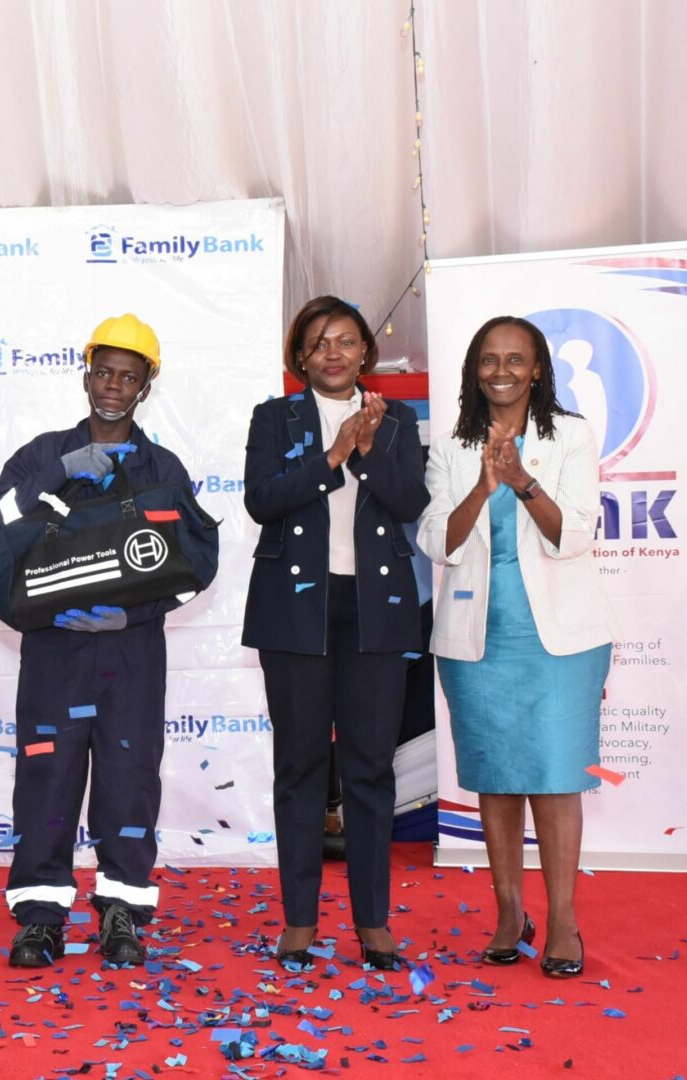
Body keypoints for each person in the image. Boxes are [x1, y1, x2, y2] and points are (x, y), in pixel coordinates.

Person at [0, 313, 218, 969]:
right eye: (104, 372)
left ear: (146, 386)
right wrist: (58, 472)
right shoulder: (41, 454)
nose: (113, 386)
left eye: (128, 376)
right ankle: (39, 918)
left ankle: (121, 914)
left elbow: (195, 563)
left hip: (129, 656)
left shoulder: (161, 468)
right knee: (46, 783)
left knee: (127, 785)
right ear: (87, 374)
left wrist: (134, 618)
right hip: (54, 653)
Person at [417, 315, 616, 978]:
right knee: (496, 780)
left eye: (515, 360)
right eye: (488, 360)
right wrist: (483, 483)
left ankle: (562, 922)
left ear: (536, 370)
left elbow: (576, 535)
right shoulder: (448, 444)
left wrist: (522, 481)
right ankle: (508, 912)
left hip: (558, 637)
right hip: (477, 638)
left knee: (557, 779)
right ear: (473, 369)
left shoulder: (571, 436)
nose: (500, 371)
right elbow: (436, 543)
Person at [241, 295, 429, 968]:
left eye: (345, 341)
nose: (332, 352)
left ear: (364, 354)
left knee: (370, 769)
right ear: (300, 356)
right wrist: (331, 456)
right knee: (297, 765)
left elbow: (410, 502)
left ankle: (372, 922)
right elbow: (261, 499)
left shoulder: (398, 418)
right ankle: (297, 919)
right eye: (319, 342)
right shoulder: (274, 417)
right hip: (294, 609)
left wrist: (370, 449)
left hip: (375, 608)